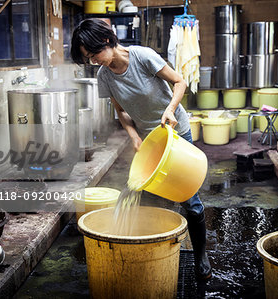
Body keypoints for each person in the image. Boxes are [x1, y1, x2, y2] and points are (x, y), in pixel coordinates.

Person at [71, 19, 212, 280]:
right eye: (88, 59)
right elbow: (121, 111)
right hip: (149, 142)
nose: (94, 61)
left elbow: (180, 82)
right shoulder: (104, 76)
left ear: (106, 40)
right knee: (146, 199)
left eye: (94, 54)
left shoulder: (142, 56)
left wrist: (169, 109)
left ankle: (201, 255)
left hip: (175, 134)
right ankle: (151, 258)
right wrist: (134, 136)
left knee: (189, 200)